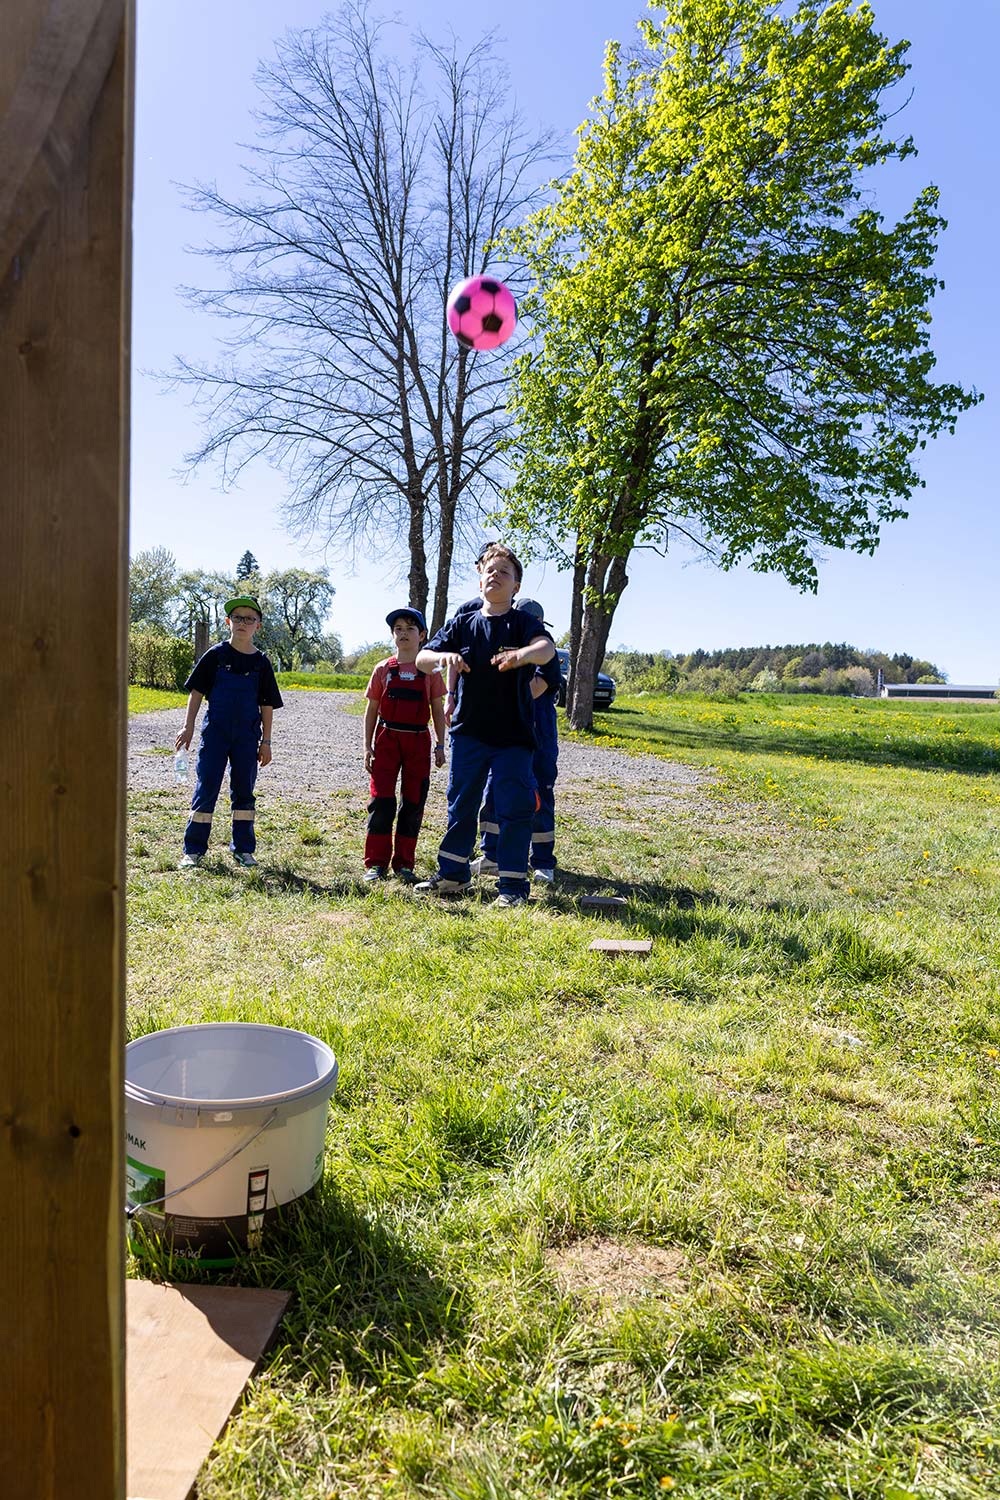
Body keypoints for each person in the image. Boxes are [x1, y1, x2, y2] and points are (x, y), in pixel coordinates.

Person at [414, 543, 555, 908]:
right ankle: (452, 875)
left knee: (513, 807)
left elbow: (546, 651)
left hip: (513, 737)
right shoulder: (464, 622)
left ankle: (511, 888)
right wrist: (442, 656)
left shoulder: (524, 623)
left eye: (504, 573)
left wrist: (521, 655)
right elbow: (422, 658)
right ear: (480, 580)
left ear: (516, 587)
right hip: (468, 733)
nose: (495, 575)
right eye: (490, 570)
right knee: (460, 804)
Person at [175, 595, 283, 869]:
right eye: (237, 618)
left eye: (249, 619)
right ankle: (194, 850)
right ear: (228, 622)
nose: (243, 623)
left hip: (247, 737)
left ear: (258, 625)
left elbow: (267, 704)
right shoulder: (216, 655)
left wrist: (266, 741)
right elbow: (197, 692)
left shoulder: (262, 663)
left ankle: (243, 850)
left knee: (244, 791)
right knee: (207, 786)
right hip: (215, 734)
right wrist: (188, 726)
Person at [474, 598, 561, 884]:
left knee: (539, 795)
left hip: (538, 736)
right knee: (495, 790)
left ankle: (542, 861)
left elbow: (535, 689)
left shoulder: (545, 655)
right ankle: (492, 855)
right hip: (506, 732)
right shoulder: (505, 650)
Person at [363, 608, 446, 884]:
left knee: (413, 802)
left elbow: (437, 707)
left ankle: (404, 864)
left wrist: (440, 744)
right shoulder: (383, 669)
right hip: (387, 738)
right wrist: (367, 745)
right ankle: (375, 864)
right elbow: (372, 709)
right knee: (382, 802)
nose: (403, 633)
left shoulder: (431, 671)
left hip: (418, 741)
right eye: (398, 628)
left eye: (410, 628)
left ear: (422, 635)